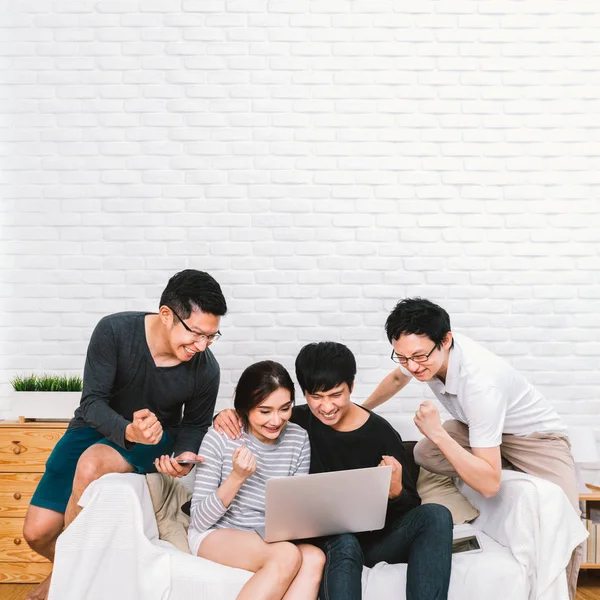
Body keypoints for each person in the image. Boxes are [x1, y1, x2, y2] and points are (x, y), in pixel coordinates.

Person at [23, 269, 227, 600]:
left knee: (93, 463)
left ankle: (60, 590)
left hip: (153, 439)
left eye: (211, 337)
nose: (202, 345)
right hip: (92, 428)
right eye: (196, 334)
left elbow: (194, 425)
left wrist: (185, 458)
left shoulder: (206, 369)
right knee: (36, 532)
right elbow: (91, 402)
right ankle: (64, 579)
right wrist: (127, 430)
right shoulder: (115, 331)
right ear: (166, 315)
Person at [363, 297, 581, 599]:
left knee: (564, 529)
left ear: (446, 341)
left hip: (537, 439)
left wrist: (438, 433)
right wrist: (360, 409)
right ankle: (486, 460)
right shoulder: (421, 354)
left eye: (419, 357)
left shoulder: (480, 384)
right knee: (424, 452)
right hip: (479, 426)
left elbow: (491, 487)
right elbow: (398, 377)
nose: (413, 366)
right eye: (402, 356)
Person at [215, 342, 453, 600]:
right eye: (316, 397)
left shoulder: (381, 433)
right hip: (322, 541)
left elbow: (411, 509)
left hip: (377, 541)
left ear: (351, 386)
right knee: (344, 540)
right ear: (304, 394)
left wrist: (396, 493)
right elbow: (258, 417)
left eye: (335, 395)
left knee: (436, 515)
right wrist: (226, 414)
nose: (326, 407)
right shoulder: (292, 421)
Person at [189, 360, 324, 600]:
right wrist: (237, 477)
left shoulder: (298, 438)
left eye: (285, 408)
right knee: (286, 555)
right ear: (245, 407)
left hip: (270, 536)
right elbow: (199, 520)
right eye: (264, 411)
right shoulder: (221, 436)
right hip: (217, 532)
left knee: (315, 557)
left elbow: (295, 510)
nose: (276, 420)